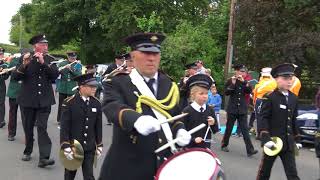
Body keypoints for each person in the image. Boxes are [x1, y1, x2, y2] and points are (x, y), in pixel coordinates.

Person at [99, 32, 191, 180]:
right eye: (146, 53)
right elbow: (111, 106)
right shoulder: (118, 82)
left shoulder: (169, 84)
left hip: (162, 166)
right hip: (128, 167)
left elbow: (174, 115)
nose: (151, 58)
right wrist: (136, 119)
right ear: (133, 57)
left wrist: (180, 129)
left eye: (155, 53)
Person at [12, 34, 58, 167]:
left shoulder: (51, 60)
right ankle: (28, 150)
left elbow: (54, 76)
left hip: (44, 100)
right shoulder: (25, 58)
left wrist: (44, 63)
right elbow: (15, 77)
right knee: (28, 127)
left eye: (46, 44)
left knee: (42, 127)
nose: (46, 46)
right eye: (43, 44)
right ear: (35, 46)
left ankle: (44, 157)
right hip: (28, 100)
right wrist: (24, 65)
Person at [256, 63, 302, 180]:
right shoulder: (270, 97)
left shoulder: (293, 98)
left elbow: (293, 119)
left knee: (292, 174)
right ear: (276, 79)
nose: (289, 81)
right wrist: (265, 137)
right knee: (264, 173)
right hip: (273, 142)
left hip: (288, 144)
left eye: (291, 78)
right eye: (285, 78)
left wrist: (297, 138)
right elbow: (263, 117)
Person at [60, 73, 103, 180]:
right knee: (69, 175)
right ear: (81, 87)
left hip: (89, 147)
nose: (94, 89)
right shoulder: (69, 102)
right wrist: (65, 145)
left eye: (95, 86)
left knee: (89, 176)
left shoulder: (96, 103)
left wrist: (99, 144)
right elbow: (65, 126)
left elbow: (98, 126)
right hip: (74, 147)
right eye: (91, 86)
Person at [221, 64, 258, 157]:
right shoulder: (231, 80)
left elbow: (249, 91)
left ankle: (250, 150)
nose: (243, 73)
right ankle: (224, 144)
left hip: (242, 109)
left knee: (245, 130)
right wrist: (233, 84)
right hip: (232, 109)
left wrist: (244, 82)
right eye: (241, 71)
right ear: (236, 72)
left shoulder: (246, 81)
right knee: (229, 128)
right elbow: (226, 92)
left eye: (244, 72)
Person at [182, 74, 218, 149]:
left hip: (205, 148)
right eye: (201, 93)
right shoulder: (187, 111)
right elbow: (182, 133)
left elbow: (215, 130)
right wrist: (193, 139)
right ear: (193, 95)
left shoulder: (210, 110)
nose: (205, 96)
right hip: (190, 148)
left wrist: (213, 123)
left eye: (206, 93)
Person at [56, 51, 82, 125]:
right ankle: (60, 119)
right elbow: (58, 73)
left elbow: (79, 75)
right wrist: (64, 68)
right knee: (62, 103)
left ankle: (72, 118)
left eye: (74, 58)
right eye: (71, 58)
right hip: (63, 86)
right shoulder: (62, 63)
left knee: (72, 104)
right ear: (68, 57)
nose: (72, 59)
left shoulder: (78, 65)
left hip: (72, 86)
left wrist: (71, 69)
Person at [250, 67, 277, 138]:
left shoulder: (260, 83)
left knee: (259, 118)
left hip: (259, 100)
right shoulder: (274, 82)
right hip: (270, 101)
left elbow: (255, 94)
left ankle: (259, 134)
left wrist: (254, 103)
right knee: (269, 117)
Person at [6, 55, 25, 141]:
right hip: (14, 91)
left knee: (25, 115)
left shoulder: (29, 63)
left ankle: (28, 135)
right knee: (12, 113)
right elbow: (10, 75)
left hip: (25, 92)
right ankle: (11, 133)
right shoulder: (14, 62)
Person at [0, 47, 10, 128]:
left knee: (1, 103)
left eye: (1, 54)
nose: (1, 55)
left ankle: (1, 120)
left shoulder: (4, 64)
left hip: (1, 85)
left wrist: (2, 75)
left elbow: (6, 76)